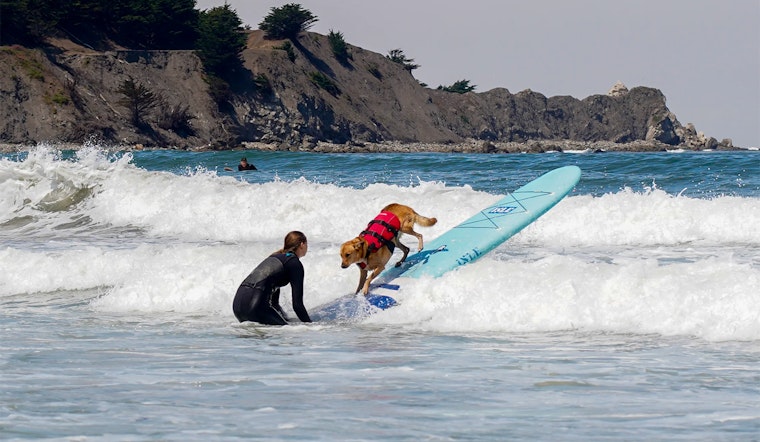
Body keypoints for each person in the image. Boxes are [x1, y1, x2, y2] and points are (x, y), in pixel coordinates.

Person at [232, 231, 312, 325]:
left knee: (265, 336)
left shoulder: (276, 257)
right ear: (302, 244)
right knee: (287, 332)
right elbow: (297, 305)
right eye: (307, 244)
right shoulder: (294, 263)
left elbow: (274, 303)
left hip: (238, 307)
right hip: (255, 307)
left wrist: (285, 319)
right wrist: (311, 326)